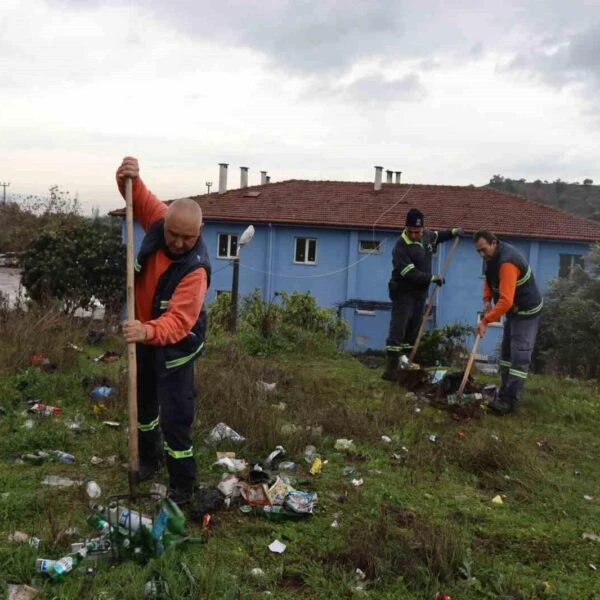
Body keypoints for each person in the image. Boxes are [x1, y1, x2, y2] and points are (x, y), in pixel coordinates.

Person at [117, 156, 211, 504]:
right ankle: (147, 459)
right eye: (173, 234)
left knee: (176, 418)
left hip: (175, 349)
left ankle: (182, 485)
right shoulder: (158, 220)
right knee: (143, 407)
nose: (178, 243)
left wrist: (145, 331)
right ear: (166, 222)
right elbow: (134, 193)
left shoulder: (195, 271)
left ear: (198, 233)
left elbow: (177, 323)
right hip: (141, 336)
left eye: (188, 237)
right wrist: (128, 173)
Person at [383, 208, 462, 380]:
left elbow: (437, 237)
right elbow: (410, 273)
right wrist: (432, 278)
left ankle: (405, 363)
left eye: (417, 232)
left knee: (413, 328)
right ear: (405, 228)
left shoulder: (426, 235)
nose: (413, 235)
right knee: (399, 328)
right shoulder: (401, 247)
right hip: (403, 292)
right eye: (410, 231)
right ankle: (390, 370)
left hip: (420, 294)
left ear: (422, 228)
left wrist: (452, 232)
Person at [474, 229, 543, 415]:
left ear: (494, 243)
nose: (482, 254)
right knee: (506, 354)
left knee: (519, 356)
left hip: (527, 311)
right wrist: (487, 300)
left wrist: (485, 321)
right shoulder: (491, 259)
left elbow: (506, 301)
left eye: (484, 249)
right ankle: (503, 392)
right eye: (478, 251)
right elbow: (489, 279)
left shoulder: (507, 263)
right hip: (513, 311)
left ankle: (509, 401)